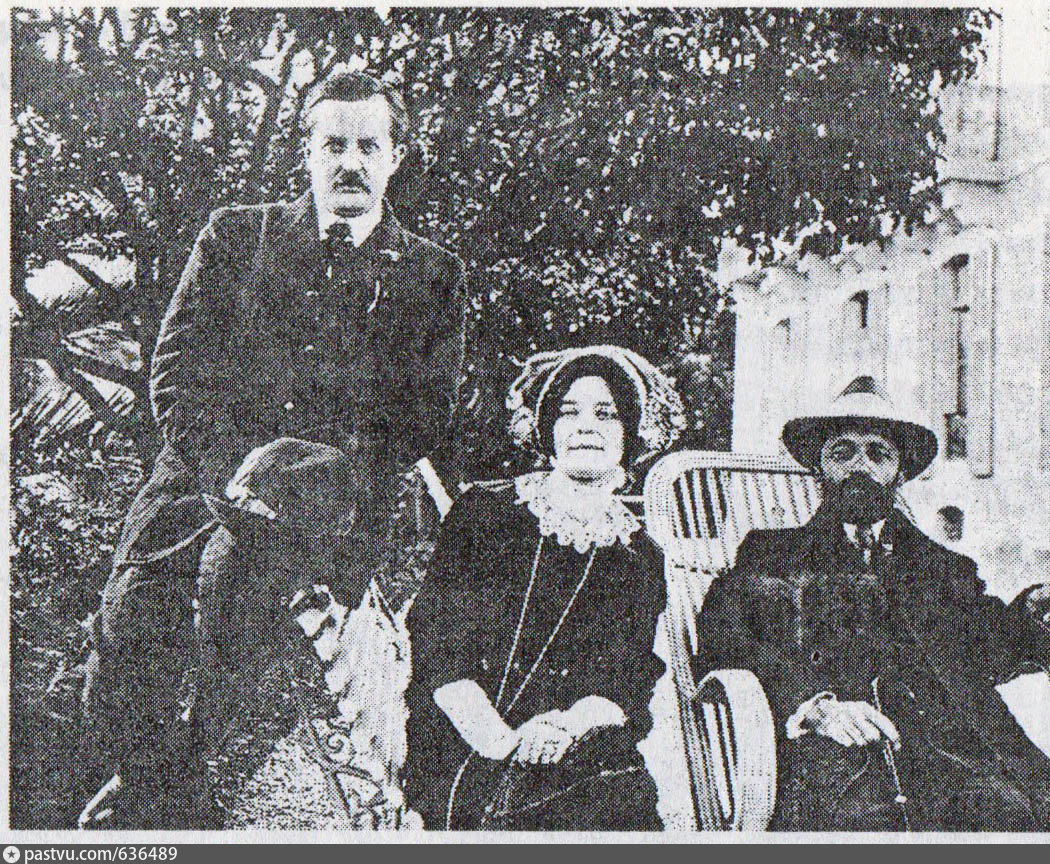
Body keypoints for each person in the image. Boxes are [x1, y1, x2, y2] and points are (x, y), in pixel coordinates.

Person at [79, 70, 467, 829]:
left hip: (327, 510)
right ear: (306, 153)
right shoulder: (235, 237)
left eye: (368, 146)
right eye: (333, 145)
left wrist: (320, 474)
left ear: (396, 157)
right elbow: (176, 371)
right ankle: (137, 797)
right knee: (126, 638)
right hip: (199, 486)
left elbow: (425, 412)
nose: (349, 163)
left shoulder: (432, 274)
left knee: (239, 643)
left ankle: (188, 791)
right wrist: (234, 471)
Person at [694, 375, 1050, 832]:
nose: (859, 467)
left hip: (960, 762)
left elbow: (988, 644)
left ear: (899, 474)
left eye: (878, 454)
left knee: (1034, 818)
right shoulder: (772, 554)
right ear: (819, 467)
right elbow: (725, 638)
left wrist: (1038, 613)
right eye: (842, 453)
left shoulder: (940, 564)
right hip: (840, 769)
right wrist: (816, 706)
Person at [404, 346, 685, 830]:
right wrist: (505, 741)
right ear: (547, 429)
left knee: (618, 803)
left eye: (606, 414)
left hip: (581, 750)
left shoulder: (639, 554)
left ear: (630, 433)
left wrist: (565, 727)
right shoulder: (486, 515)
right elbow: (438, 646)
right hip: (471, 739)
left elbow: (626, 680)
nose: (586, 427)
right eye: (568, 412)